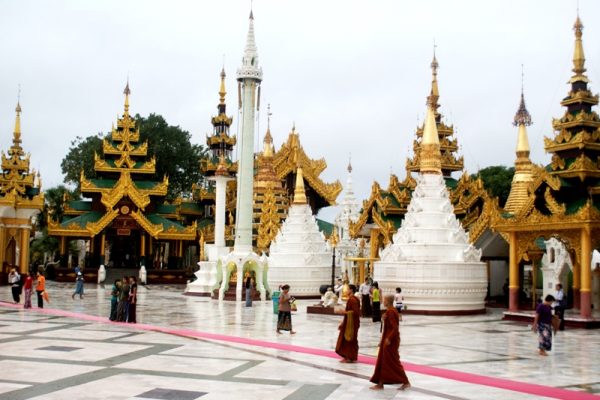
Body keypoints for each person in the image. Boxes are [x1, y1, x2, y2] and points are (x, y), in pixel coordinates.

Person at [370, 294, 411, 391]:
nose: (383, 301)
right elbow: (388, 328)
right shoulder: (390, 311)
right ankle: (380, 383)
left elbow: (395, 328)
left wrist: (388, 339)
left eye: (384, 300)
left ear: (388, 301)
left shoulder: (391, 312)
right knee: (383, 361)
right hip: (387, 339)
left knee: (393, 362)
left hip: (391, 341)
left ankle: (405, 381)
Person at [335, 284, 360, 363]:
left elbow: (355, 312)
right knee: (348, 339)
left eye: (348, 289)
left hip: (352, 324)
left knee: (350, 339)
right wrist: (343, 323)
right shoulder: (352, 299)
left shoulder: (352, 300)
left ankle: (350, 357)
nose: (346, 291)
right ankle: (350, 356)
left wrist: (343, 312)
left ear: (351, 290)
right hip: (349, 322)